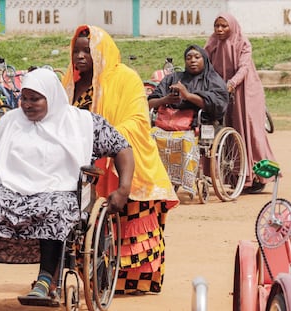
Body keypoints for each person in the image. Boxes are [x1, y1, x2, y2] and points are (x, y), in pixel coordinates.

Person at [0, 68, 135, 304]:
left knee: (56, 210)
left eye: (35, 99)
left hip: (57, 191)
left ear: (51, 97)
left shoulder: (82, 123)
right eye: (24, 98)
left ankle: (45, 281)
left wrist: (123, 188)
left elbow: (122, 148)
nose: (27, 105)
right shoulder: (11, 121)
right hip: (10, 190)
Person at [62, 25, 179, 295]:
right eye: (76, 50)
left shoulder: (125, 78)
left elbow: (137, 120)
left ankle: (131, 283)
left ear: (101, 51)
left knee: (132, 220)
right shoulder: (70, 83)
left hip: (125, 161)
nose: (80, 56)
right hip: (82, 164)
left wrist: (105, 139)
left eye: (87, 50)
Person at [204, 12, 278, 193]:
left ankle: (259, 176)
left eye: (224, 26)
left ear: (232, 26)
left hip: (246, 92)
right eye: (217, 26)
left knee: (249, 133)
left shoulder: (242, 43)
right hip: (221, 92)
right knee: (224, 130)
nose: (220, 29)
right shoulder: (211, 43)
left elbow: (244, 67)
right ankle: (234, 176)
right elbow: (204, 64)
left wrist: (232, 83)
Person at [148, 44, 229, 195]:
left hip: (196, 125)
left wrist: (188, 96)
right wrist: (166, 99)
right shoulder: (173, 78)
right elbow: (149, 102)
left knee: (186, 140)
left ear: (204, 60)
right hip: (167, 124)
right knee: (149, 137)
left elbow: (218, 104)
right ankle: (157, 180)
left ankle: (187, 182)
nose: (192, 60)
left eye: (197, 57)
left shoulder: (212, 80)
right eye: (188, 58)